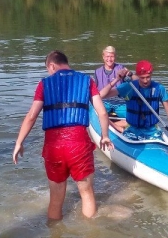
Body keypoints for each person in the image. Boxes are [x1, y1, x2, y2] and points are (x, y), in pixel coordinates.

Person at [12, 50, 113, 220]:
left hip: (54, 146)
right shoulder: (87, 81)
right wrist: (104, 135)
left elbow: (31, 116)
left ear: (51, 65)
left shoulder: (44, 84)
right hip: (79, 144)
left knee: (55, 199)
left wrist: (19, 142)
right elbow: (102, 113)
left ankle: (53, 237)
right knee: (87, 194)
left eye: (48, 69)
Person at [98, 59, 168, 146]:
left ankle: (117, 127)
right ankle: (117, 127)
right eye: (142, 78)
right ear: (138, 76)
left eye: (148, 77)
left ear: (151, 75)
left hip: (152, 131)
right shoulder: (129, 87)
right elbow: (101, 95)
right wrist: (116, 79)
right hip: (132, 130)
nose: (145, 81)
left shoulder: (159, 88)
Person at [93, 46, 130, 119]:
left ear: (115, 57)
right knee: (95, 113)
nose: (109, 59)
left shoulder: (121, 68)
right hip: (104, 102)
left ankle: (121, 126)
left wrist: (128, 73)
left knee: (131, 116)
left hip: (120, 103)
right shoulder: (97, 72)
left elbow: (131, 81)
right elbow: (95, 91)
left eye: (111, 56)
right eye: (107, 56)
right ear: (103, 57)